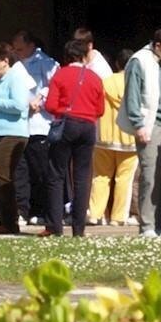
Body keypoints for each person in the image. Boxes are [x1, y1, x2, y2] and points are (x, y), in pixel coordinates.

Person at [118, 29, 161, 237]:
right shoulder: (139, 61)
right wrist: (139, 125)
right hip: (151, 123)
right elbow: (133, 95)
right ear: (157, 46)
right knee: (150, 175)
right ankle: (147, 225)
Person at [44, 36, 106, 237]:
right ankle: (79, 229)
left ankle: (55, 226)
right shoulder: (95, 78)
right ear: (85, 56)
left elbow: (50, 105)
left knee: (56, 174)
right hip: (88, 126)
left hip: (66, 124)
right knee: (82, 176)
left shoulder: (60, 75)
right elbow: (100, 109)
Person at [0, 41, 33, 236]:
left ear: (5, 60)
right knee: (1, 177)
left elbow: (19, 105)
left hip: (12, 133)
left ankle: (11, 221)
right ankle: (7, 220)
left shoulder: (15, 78)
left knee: (3, 176)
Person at [11, 29, 58, 225]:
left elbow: (54, 86)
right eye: (15, 49)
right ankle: (22, 210)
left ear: (31, 46)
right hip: (18, 125)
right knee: (19, 170)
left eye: (20, 49)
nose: (17, 53)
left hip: (39, 125)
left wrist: (41, 100)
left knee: (40, 171)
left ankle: (41, 210)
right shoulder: (14, 63)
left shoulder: (47, 63)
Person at [91, 59, 138, 226]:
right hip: (129, 138)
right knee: (124, 179)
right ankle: (118, 218)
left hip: (104, 137)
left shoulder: (105, 82)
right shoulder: (134, 82)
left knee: (100, 177)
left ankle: (95, 214)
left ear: (117, 65)